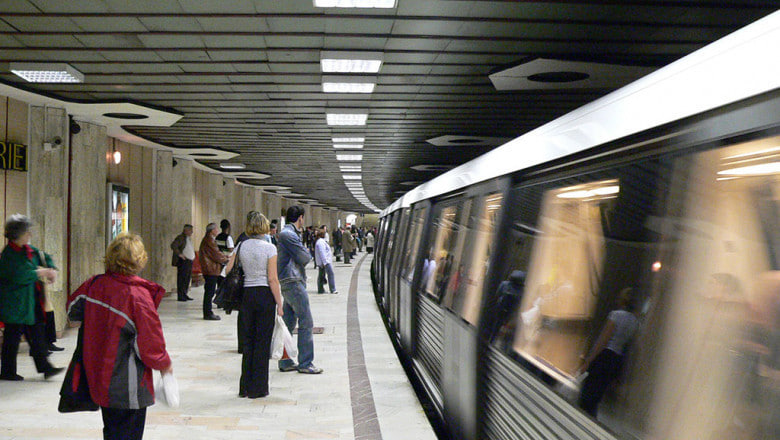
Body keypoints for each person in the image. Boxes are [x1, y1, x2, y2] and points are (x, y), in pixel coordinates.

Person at [68, 233, 172, 440]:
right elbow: (150, 343)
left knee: (112, 430)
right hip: (128, 382)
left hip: (99, 375)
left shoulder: (93, 285)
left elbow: (72, 314)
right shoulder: (138, 296)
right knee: (129, 433)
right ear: (139, 260)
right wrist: (165, 365)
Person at [223, 212, 282, 398]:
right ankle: (259, 388)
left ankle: (245, 387)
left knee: (248, 342)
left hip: (247, 296)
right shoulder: (270, 248)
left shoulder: (241, 246)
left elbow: (227, 269)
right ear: (264, 226)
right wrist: (279, 303)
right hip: (264, 296)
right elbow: (272, 279)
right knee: (262, 343)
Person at [0, 214, 63, 381]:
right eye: (27, 231)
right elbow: (21, 275)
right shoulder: (9, 255)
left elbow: (43, 256)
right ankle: (7, 372)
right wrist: (42, 272)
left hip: (30, 301)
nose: (30, 234)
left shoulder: (27, 249)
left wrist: (51, 269)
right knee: (12, 339)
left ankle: (46, 368)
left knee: (37, 334)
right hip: (15, 305)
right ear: (17, 234)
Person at [577, 287, 639, 417]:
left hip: (604, 356)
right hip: (616, 360)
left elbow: (603, 341)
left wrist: (588, 361)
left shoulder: (615, 315)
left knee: (587, 394)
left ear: (622, 300)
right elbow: (628, 346)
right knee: (597, 396)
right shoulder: (635, 322)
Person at [277, 205, 322, 374]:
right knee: (306, 321)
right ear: (300, 218)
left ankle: (286, 360)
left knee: (289, 323)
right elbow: (305, 257)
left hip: (291, 280)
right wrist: (306, 252)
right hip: (293, 281)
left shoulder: (289, 233)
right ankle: (305, 363)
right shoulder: (288, 235)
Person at [199, 223, 228, 320]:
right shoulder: (209, 240)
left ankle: (208, 312)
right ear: (212, 231)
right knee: (209, 292)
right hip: (210, 269)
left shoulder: (209, 239)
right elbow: (216, 254)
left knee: (209, 291)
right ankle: (208, 313)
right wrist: (226, 259)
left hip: (210, 269)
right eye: (216, 229)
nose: (217, 231)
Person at [170, 224, 195, 301]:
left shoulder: (187, 238)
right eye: (190, 230)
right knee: (182, 279)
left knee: (187, 278)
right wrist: (180, 254)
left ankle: (185, 294)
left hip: (189, 261)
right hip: (183, 261)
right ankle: (181, 295)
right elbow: (173, 245)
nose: (192, 232)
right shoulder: (180, 238)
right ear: (186, 230)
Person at [315, 229, 337, 294]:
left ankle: (320, 289)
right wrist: (325, 262)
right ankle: (332, 289)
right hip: (325, 261)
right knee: (330, 274)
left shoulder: (320, 241)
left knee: (321, 275)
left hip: (323, 261)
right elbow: (322, 252)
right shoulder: (321, 242)